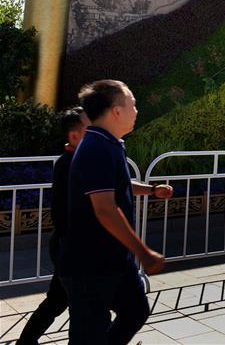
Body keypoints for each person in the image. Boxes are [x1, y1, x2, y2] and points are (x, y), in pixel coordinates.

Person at [60, 80, 173, 344]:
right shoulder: (96, 148)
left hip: (112, 260)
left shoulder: (110, 144)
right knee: (89, 335)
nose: (137, 110)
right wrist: (143, 252)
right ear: (116, 111)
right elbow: (105, 210)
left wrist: (151, 190)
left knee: (135, 311)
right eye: (132, 104)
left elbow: (117, 185)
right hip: (89, 264)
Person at [16, 108, 88, 345]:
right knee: (85, 307)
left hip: (70, 245)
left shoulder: (77, 161)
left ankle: (25, 342)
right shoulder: (71, 164)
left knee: (58, 300)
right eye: (91, 128)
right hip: (72, 245)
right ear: (75, 135)